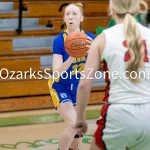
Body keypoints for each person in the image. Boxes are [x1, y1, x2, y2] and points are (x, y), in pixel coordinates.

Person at [75, 0, 150, 150]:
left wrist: (80, 118)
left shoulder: (103, 38)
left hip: (119, 113)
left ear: (111, 9)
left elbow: (84, 84)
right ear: (137, 8)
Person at [48, 3, 95, 150]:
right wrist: (72, 58)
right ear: (64, 18)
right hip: (60, 85)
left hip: (78, 87)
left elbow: (95, 68)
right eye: (68, 13)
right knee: (74, 124)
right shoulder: (59, 40)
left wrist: (94, 52)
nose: (70, 16)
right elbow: (56, 73)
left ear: (81, 18)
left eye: (74, 14)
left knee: (79, 130)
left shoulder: (89, 39)